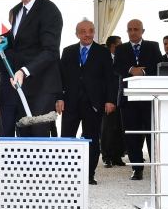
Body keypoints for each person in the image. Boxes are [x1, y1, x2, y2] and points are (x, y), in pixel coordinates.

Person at [0, 0, 62, 137]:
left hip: (42, 88)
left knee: (37, 139)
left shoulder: (49, 10)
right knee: (22, 138)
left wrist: (24, 71)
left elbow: (50, 51)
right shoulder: (16, 10)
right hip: (21, 87)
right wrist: (2, 38)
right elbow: (17, 37)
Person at [58, 20, 116, 185]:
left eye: (90, 30)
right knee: (66, 139)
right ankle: (67, 174)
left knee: (91, 140)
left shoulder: (103, 52)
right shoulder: (68, 51)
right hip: (70, 103)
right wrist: (59, 98)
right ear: (77, 34)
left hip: (94, 104)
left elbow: (110, 78)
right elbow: (60, 77)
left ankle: (89, 174)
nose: (87, 34)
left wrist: (110, 100)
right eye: (83, 31)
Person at [113, 19, 161, 180]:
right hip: (128, 99)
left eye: (136, 29)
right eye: (130, 29)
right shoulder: (121, 48)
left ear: (142, 31)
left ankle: (155, 166)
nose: (133, 32)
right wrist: (131, 69)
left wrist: (143, 73)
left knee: (152, 133)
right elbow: (116, 67)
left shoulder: (153, 46)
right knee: (131, 135)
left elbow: (158, 66)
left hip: (149, 98)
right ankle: (137, 168)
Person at [100, 35, 125, 167]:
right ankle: (107, 157)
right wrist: (108, 100)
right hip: (108, 100)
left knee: (120, 129)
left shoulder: (122, 58)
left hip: (121, 98)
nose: (122, 46)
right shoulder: (104, 59)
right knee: (108, 130)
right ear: (112, 46)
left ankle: (117, 156)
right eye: (119, 44)